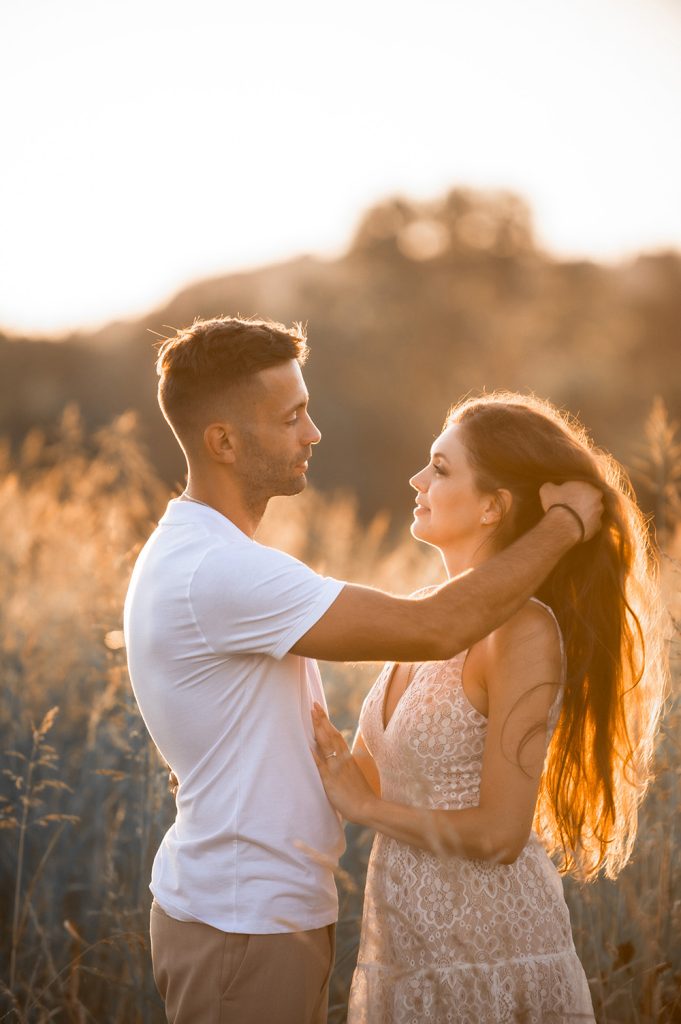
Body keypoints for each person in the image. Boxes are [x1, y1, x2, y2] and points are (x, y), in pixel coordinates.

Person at [123, 318, 603, 1024]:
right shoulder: (220, 570)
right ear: (222, 442)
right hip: (244, 922)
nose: (312, 432)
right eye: (291, 417)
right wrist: (563, 527)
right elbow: (435, 629)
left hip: (273, 916)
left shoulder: (206, 558)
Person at [311, 392, 668, 1024]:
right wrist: (237, 756)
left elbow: (501, 835)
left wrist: (365, 809)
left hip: (492, 954)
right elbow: (364, 775)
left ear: (492, 507)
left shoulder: (523, 632)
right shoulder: (427, 619)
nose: (417, 480)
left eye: (441, 468)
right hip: (408, 950)